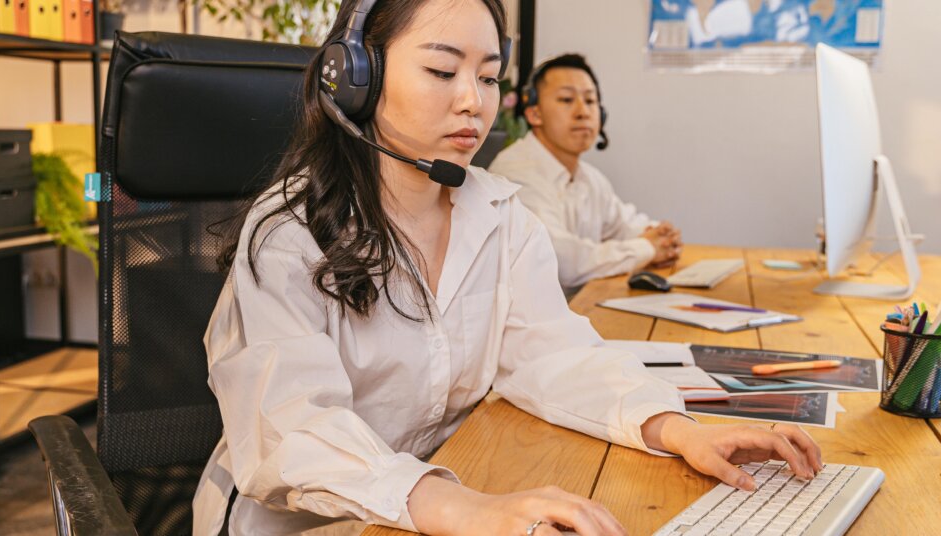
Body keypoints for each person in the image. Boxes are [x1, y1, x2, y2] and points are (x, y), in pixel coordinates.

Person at [193, 1, 822, 535]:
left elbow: (554, 355)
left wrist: (676, 429)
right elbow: (294, 430)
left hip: (443, 504)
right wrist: (461, 507)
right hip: (310, 524)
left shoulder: (499, 215)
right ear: (357, 77)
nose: (472, 101)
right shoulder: (290, 231)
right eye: (442, 70)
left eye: (489, 78)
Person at [488, 54, 683, 294]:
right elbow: (560, 261)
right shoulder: (515, 173)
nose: (583, 111)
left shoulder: (590, 178)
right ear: (534, 114)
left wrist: (661, 237)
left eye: (590, 101)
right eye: (567, 99)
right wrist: (647, 248)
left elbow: (624, 225)